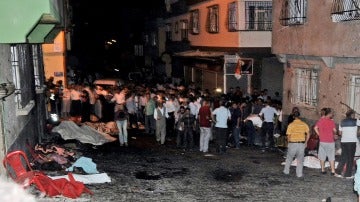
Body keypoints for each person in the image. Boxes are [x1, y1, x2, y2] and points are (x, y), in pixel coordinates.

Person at [283, 111, 310, 178]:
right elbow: (308, 133)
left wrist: (289, 143)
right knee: (300, 160)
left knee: (289, 158)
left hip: (293, 143)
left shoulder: (291, 125)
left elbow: (288, 135)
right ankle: (299, 174)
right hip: (301, 144)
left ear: (293, 117)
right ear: (299, 116)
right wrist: (306, 142)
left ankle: (286, 171)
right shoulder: (304, 124)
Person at [334, 109, 360, 179]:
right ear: (352, 115)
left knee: (343, 157)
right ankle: (348, 175)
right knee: (350, 158)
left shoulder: (342, 121)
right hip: (351, 142)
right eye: (354, 115)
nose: (354, 116)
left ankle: (338, 172)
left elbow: (340, 133)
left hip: (343, 142)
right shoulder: (356, 121)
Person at [314, 108, 337, 175]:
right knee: (331, 156)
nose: (333, 114)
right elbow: (335, 131)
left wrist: (319, 134)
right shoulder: (331, 121)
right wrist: (334, 133)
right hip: (330, 141)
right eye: (332, 113)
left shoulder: (321, 120)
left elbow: (315, 128)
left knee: (322, 155)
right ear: (329, 114)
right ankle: (333, 171)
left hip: (322, 141)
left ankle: (323, 170)